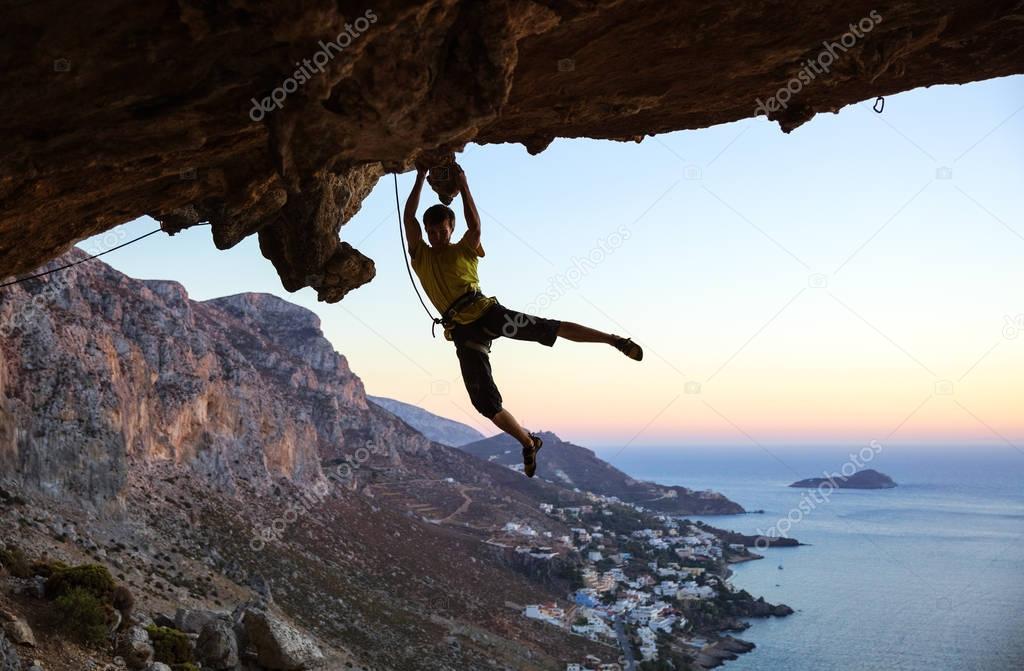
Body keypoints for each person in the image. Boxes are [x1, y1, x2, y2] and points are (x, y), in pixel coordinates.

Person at [404, 163, 643, 477]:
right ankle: (528, 442)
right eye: (432, 232)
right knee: (485, 403)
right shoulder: (420, 254)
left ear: (451, 230)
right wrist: (420, 177)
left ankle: (614, 340)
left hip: (489, 314)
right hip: (463, 332)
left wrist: (464, 187)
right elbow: (409, 218)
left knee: (547, 327)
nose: (436, 237)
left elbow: (475, 225)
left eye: (442, 231)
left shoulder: (464, 249)